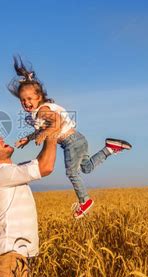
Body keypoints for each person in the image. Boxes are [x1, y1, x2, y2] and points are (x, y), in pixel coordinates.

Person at [8, 56, 132, 219]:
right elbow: (42, 129)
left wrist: (45, 134)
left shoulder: (43, 110)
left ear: (39, 98)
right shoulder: (34, 116)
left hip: (71, 142)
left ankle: (85, 201)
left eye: (30, 99)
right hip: (77, 140)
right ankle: (109, 148)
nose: (26, 103)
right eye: (23, 100)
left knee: (71, 173)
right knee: (86, 168)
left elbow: (58, 121)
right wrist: (28, 138)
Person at [0, 132, 58, 277]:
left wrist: (42, 132)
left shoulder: (5, 173)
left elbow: (40, 162)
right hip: (9, 256)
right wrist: (53, 131)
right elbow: (45, 166)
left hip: (14, 256)